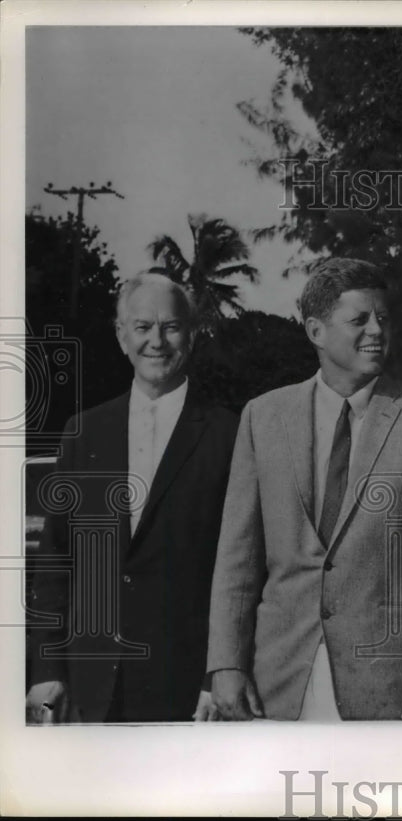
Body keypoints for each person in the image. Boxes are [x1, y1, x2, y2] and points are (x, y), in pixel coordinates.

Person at [206, 258, 402, 721]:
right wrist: (225, 663)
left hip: (389, 678)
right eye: (359, 320)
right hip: (280, 678)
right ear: (315, 331)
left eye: (383, 318)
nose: (376, 331)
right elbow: (237, 558)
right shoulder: (262, 416)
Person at [26, 273, 238, 723]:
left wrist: (219, 675)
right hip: (89, 687)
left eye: (171, 327)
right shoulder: (83, 433)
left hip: (187, 691)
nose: (156, 341)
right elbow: (54, 563)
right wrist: (46, 671)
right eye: (142, 327)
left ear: (193, 335)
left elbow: (242, 572)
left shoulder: (231, 435)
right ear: (122, 337)